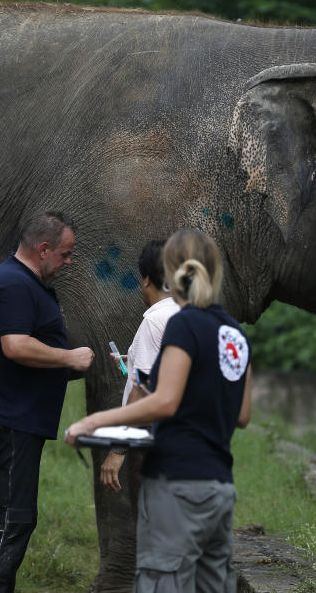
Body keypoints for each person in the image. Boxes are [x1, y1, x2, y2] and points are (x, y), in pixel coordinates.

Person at [66, 228, 253, 593]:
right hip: (220, 487)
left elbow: (164, 401)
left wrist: (94, 420)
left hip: (177, 482)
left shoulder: (181, 324)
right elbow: (242, 414)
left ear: (170, 274)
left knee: (162, 583)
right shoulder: (234, 332)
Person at [0, 210, 94, 592]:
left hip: (19, 417)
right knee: (10, 516)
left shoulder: (23, 283)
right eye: (65, 253)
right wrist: (69, 357)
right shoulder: (13, 283)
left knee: (15, 516)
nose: (68, 261)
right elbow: (15, 345)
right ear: (43, 249)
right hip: (10, 416)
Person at [100, 239, 180, 493]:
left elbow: (142, 386)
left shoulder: (154, 321)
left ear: (146, 280)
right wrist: (134, 359)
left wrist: (118, 450)